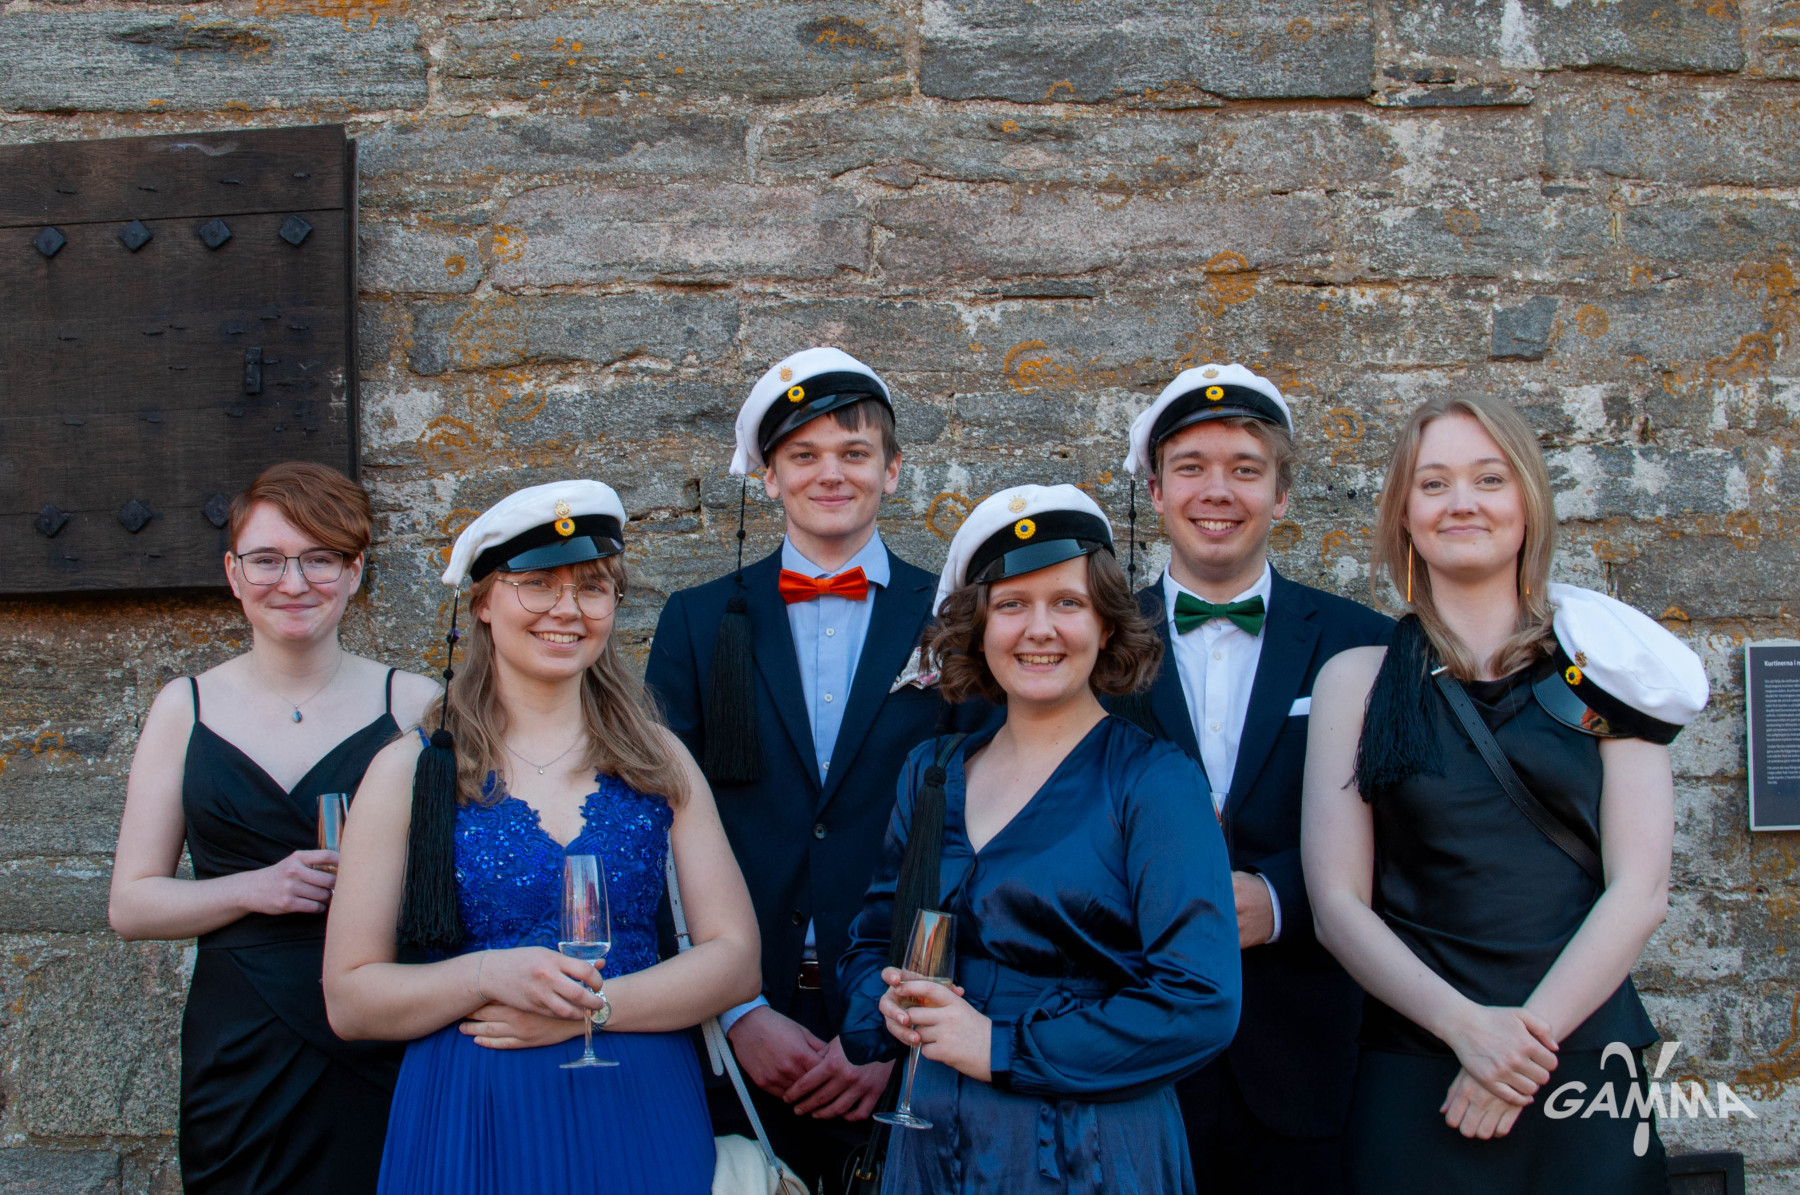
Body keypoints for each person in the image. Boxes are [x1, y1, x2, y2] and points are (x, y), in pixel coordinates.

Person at [1302, 394, 1708, 1194]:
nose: (1462, 502)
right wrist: (1467, 1030)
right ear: (1404, 513)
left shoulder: (1608, 671)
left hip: (1581, 1062)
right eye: (1434, 483)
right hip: (1419, 1062)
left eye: (1489, 478)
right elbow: (1337, 905)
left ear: (1527, 501)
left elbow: (1642, 887)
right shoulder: (1356, 682)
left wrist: (1518, 1048)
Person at [321, 480, 760, 1195]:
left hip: (639, 1105)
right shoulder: (411, 770)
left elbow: (736, 960)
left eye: (592, 587)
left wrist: (593, 1011)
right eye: (537, 584)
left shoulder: (658, 760)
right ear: (483, 603)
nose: (568, 608)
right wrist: (485, 976)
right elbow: (350, 997)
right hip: (474, 1111)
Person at [646, 348, 988, 1193]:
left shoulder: (957, 619)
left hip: (907, 1023)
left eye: (855, 452)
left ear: (893, 470)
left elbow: (976, 832)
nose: (830, 473)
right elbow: (657, 827)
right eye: (803, 454)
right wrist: (733, 1010)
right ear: (768, 477)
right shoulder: (696, 622)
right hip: (740, 1022)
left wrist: (894, 1030)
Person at [839, 483, 1242, 1195]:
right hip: (931, 1137)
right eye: (1012, 605)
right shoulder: (932, 773)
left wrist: (998, 1047)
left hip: (1092, 1147)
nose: (1040, 629)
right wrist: (887, 1001)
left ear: (1106, 625)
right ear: (979, 627)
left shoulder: (1154, 782)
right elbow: (873, 943)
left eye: (1067, 603)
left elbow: (1200, 1001)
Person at [109, 460, 440, 1194]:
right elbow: (131, 904)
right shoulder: (184, 708)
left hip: (381, 1030)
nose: (293, 583)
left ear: (354, 573)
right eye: (267, 559)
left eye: (320, 558)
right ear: (234, 573)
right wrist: (254, 888)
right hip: (241, 1048)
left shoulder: (416, 706)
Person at [1111, 363, 1392, 1192]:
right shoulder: (1089, 644)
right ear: (1156, 491)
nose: (1217, 491)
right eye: (1191, 467)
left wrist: (1281, 901)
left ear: (1282, 494)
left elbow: (1414, 830)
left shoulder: (1364, 644)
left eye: (1245, 468)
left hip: (1309, 1065)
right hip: (1132, 1061)